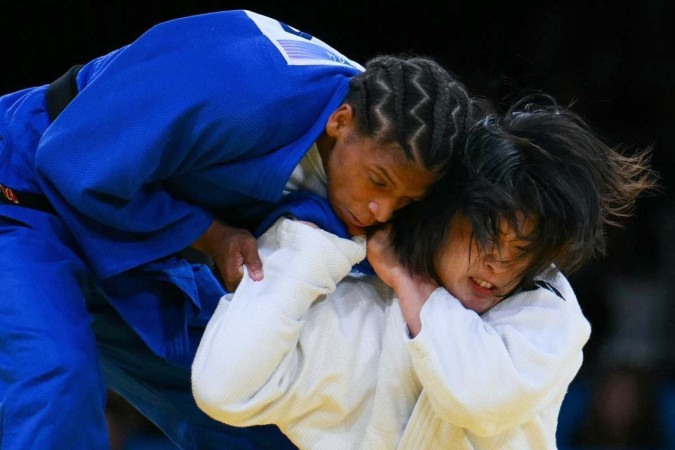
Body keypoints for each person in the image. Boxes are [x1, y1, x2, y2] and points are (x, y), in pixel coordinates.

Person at [0, 9, 474, 449]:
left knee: (251, 399)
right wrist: (213, 235)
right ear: (340, 121)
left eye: (403, 200)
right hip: (25, 186)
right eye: (377, 183)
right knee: (54, 378)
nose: (380, 209)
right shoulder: (238, 86)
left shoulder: (389, 128)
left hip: (132, 227)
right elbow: (70, 160)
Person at [192, 96, 656, 448]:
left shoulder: (547, 315)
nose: (499, 263)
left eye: (523, 250)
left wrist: (413, 286)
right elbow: (222, 389)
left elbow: (476, 394)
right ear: (441, 213)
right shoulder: (344, 303)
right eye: (486, 236)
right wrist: (311, 245)